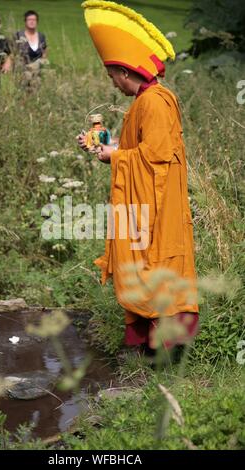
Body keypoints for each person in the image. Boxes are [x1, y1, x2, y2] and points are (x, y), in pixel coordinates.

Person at [78, 1, 199, 358]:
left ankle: (167, 356)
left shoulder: (155, 103)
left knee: (158, 268)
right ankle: (150, 349)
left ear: (124, 71)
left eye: (111, 76)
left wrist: (116, 156)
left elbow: (157, 158)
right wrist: (106, 150)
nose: (113, 84)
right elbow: (140, 151)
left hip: (161, 211)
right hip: (148, 206)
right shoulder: (143, 102)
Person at [14, 10, 48, 91]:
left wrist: (43, 61)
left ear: (37, 22)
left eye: (34, 20)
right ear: (25, 22)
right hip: (23, 68)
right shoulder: (18, 35)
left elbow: (45, 50)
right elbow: (13, 51)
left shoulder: (41, 36)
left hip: (37, 69)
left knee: (36, 90)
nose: (32, 22)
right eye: (29, 20)